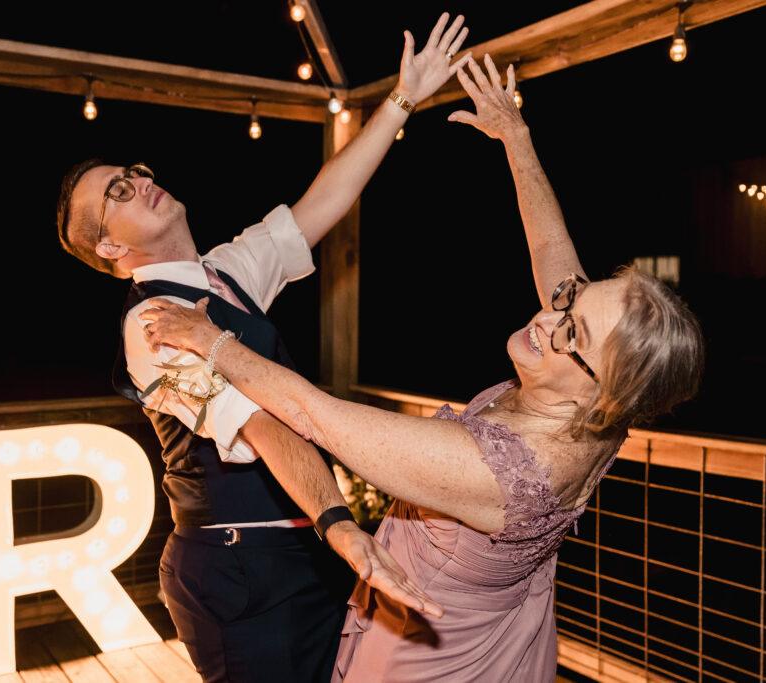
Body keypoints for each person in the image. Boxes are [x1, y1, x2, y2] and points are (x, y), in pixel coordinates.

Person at [138, 52, 705, 682]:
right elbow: (554, 258)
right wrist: (516, 137)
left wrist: (212, 341)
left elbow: (313, 415)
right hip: (505, 618)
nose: (549, 314)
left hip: (433, 648)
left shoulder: (499, 470)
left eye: (571, 328)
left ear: (607, 396)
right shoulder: (610, 398)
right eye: (569, 300)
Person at [55, 14, 470, 681]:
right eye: (117, 194)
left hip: (300, 553)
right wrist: (341, 525)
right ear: (110, 246)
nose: (139, 182)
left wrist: (404, 98)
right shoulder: (151, 325)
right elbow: (261, 424)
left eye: (132, 172)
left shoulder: (225, 272)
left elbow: (325, 200)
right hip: (239, 574)